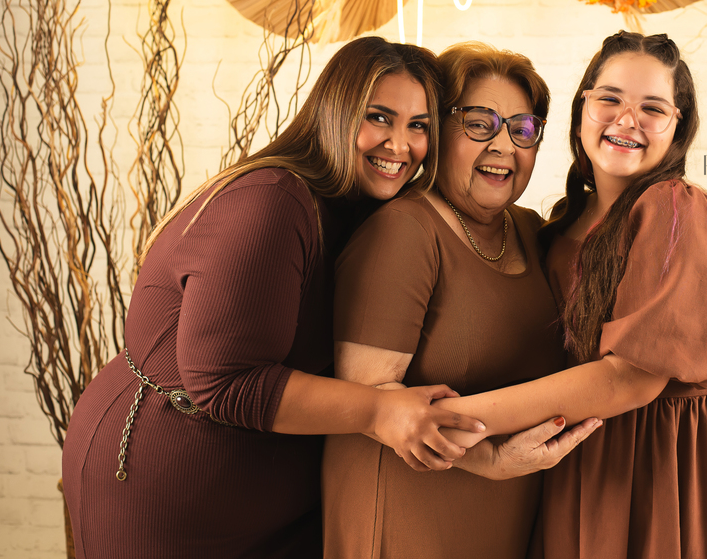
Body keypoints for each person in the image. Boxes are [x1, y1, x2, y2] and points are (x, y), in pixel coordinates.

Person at [61, 37, 487, 559]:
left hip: (270, 499)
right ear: (335, 112)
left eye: (418, 126)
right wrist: (381, 410)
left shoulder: (368, 210)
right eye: (379, 118)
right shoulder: (273, 199)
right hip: (167, 481)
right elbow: (224, 380)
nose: (399, 145)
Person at [435, 31, 707, 559]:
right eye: (610, 99)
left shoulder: (679, 211)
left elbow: (630, 379)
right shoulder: (555, 230)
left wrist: (458, 419)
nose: (627, 120)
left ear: (678, 127)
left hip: (670, 475)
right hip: (576, 467)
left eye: (653, 108)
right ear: (581, 112)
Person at [323, 43, 601, 559]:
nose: (504, 146)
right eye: (479, 123)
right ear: (437, 130)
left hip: (506, 511)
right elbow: (366, 400)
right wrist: (488, 458)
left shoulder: (529, 230)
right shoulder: (404, 230)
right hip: (408, 510)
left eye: (522, 129)